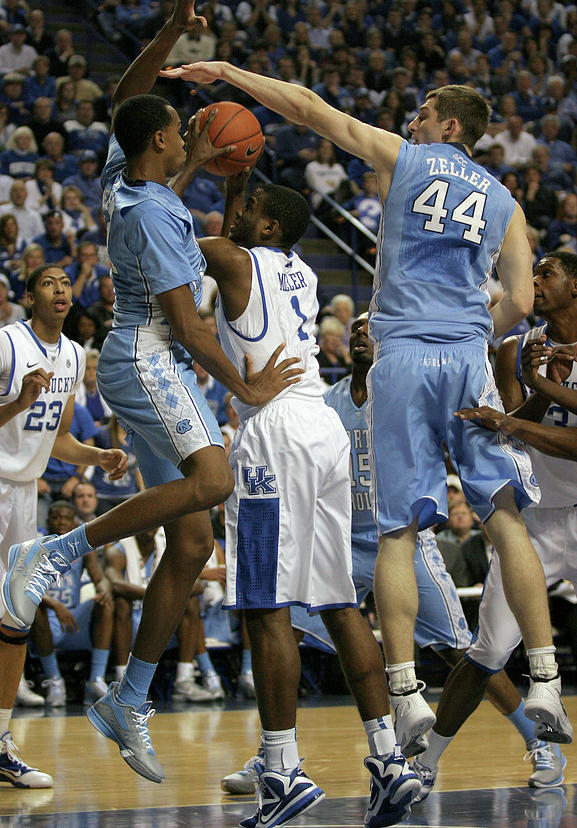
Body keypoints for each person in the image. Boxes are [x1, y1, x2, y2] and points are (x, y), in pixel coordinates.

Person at [159, 63, 571, 750]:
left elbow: (312, 110)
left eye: (422, 110)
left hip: (404, 357)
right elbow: (521, 304)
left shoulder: (404, 158)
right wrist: (473, 324)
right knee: (503, 521)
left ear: (446, 125)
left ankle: (406, 695)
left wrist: (228, 73)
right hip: (467, 358)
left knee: (397, 533)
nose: (411, 118)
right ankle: (546, 680)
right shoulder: (505, 199)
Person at [0, 0, 299, 788]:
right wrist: (246, 388)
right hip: (144, 355)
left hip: (144, 360)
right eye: (181, 125)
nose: (189, 128)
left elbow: (131, 98)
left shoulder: (129, 177)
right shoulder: (158, 210)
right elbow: (188, 323)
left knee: (195, 533)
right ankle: (56, 552)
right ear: (163, 141)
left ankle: (128, 699)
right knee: (214, 478)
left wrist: (172, 29)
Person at [223, 314, 565, 796]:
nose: (362, 332)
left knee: (459, 651)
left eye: (370, 324)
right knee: (281, 630)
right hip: (340, 541)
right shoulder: (325, 402)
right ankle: (273, 754)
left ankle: (539, 740)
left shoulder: (407, 395)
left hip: (400, 542)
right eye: (355, 328)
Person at [192, 172, 421, 827]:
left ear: (264, 226)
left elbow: (166, 230)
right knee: (337, 601)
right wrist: (239, 174)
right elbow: (240, 220)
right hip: (320, 428)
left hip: (273, 434)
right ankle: (387, 759)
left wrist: (203, 158)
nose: (231, 211)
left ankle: (281, 768)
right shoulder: (299, 268)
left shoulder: (234, 258)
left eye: (246, 206)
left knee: (266, 610)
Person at [411, 251, 577, 800]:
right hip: (532, 520)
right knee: (486, 652)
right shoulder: (516, 347)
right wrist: (529, 386)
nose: (534, 282)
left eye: (547, 274)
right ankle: (426, 763)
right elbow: (515, 432)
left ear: (576, 288)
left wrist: (538, 397)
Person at [0, 263, 127, 788]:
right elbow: (20, 414)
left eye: (65, 284)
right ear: (30, 297)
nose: (60, 290)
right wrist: (19, 402)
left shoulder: (74, 355)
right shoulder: (8, 344)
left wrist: (96, 456)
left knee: (14, 618)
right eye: (48, 283)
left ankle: (2, 741)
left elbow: (55, 439)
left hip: (24, 493)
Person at [103, 528, 215, 703]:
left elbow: (198, 584)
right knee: (121, 604)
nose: (150, 527)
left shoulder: (168, 548)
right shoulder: (118, 551)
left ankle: (184, 680)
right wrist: (158, 594)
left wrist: (160, 595)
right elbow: (115, 584)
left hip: (160, 620)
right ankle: (122, 682)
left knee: (191, 604)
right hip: (129, 623)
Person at [30, 498, 113, 707]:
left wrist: (104, 590)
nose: (61, 522)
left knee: (104, 604)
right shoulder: (36, 546)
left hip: (74, 618)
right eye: (56, 518)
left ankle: (96, 679)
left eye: (66, 518)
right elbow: (28, 586)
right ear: (48, 521)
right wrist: (55, 606)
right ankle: (55, 680)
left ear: (74, 522)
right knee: (35, 608)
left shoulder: (82, 546)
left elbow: (99, 577)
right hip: (48, 619)